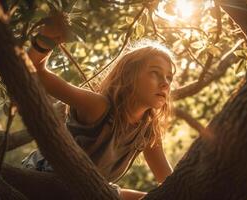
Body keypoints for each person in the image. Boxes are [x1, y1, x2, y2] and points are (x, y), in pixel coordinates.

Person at [23, 18, 175, 200]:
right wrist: (44, 40)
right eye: (155, 73)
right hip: (46, 182)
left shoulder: (147, 131)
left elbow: (171, 185)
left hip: (91, 192)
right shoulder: (99, 108)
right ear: (128, 76)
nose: (165, 83)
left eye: (169, 77)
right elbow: (34, 72)